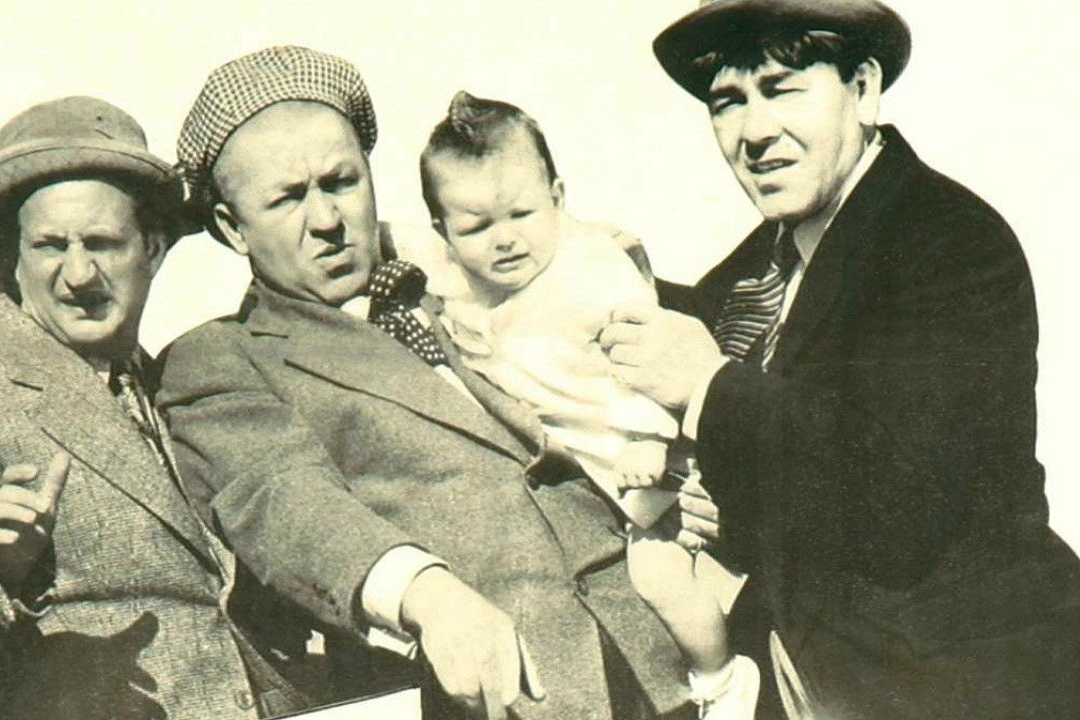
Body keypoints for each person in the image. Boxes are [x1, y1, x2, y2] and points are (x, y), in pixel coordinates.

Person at [599, 1, 1080, 718]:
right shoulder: (749, 272)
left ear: (863, 89)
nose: (754, 132)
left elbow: (902, 500)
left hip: (969, 682)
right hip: (806, 670)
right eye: (728, 102)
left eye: (782, 89)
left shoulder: (951, 241)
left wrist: (708, 388)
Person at [158, 46, 690, 720]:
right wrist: (426, 595)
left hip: (664, 662)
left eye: (341, 182)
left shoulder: (466, 269)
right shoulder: (221, 359)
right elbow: (285, 503)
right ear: (232, 227)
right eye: (288, 198)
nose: (326, 220)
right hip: (502, 697)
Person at [0, 96, 304, 720]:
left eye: (103, 243)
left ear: (154, 248)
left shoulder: (170, 379)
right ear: (13, 258)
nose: (79, 274)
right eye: (50, 246)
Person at [410, 89, 757, 719]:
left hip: (647, 457)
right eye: (477, 227)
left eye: (522, 214)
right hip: (591, 477)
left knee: (658, 574)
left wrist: (648, 437)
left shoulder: (590, 270)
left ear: (559, 198)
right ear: (445, 233)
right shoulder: (463, 286)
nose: (505, 240)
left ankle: (724, 678)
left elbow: (648, 354)